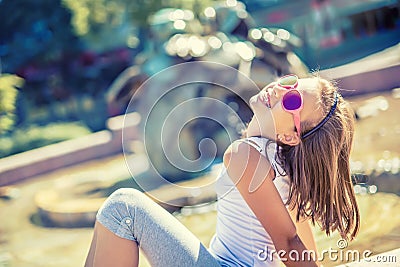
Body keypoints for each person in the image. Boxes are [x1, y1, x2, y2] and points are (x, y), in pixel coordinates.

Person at [84, 74, 360, 267]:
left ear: (291, 136)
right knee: (112, 216)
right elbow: (302, 243)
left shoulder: (245, 154)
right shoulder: (283, 164)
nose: (280, 90)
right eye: (291, 83)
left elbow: (289, 243)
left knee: (123, 208)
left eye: (292, 102)